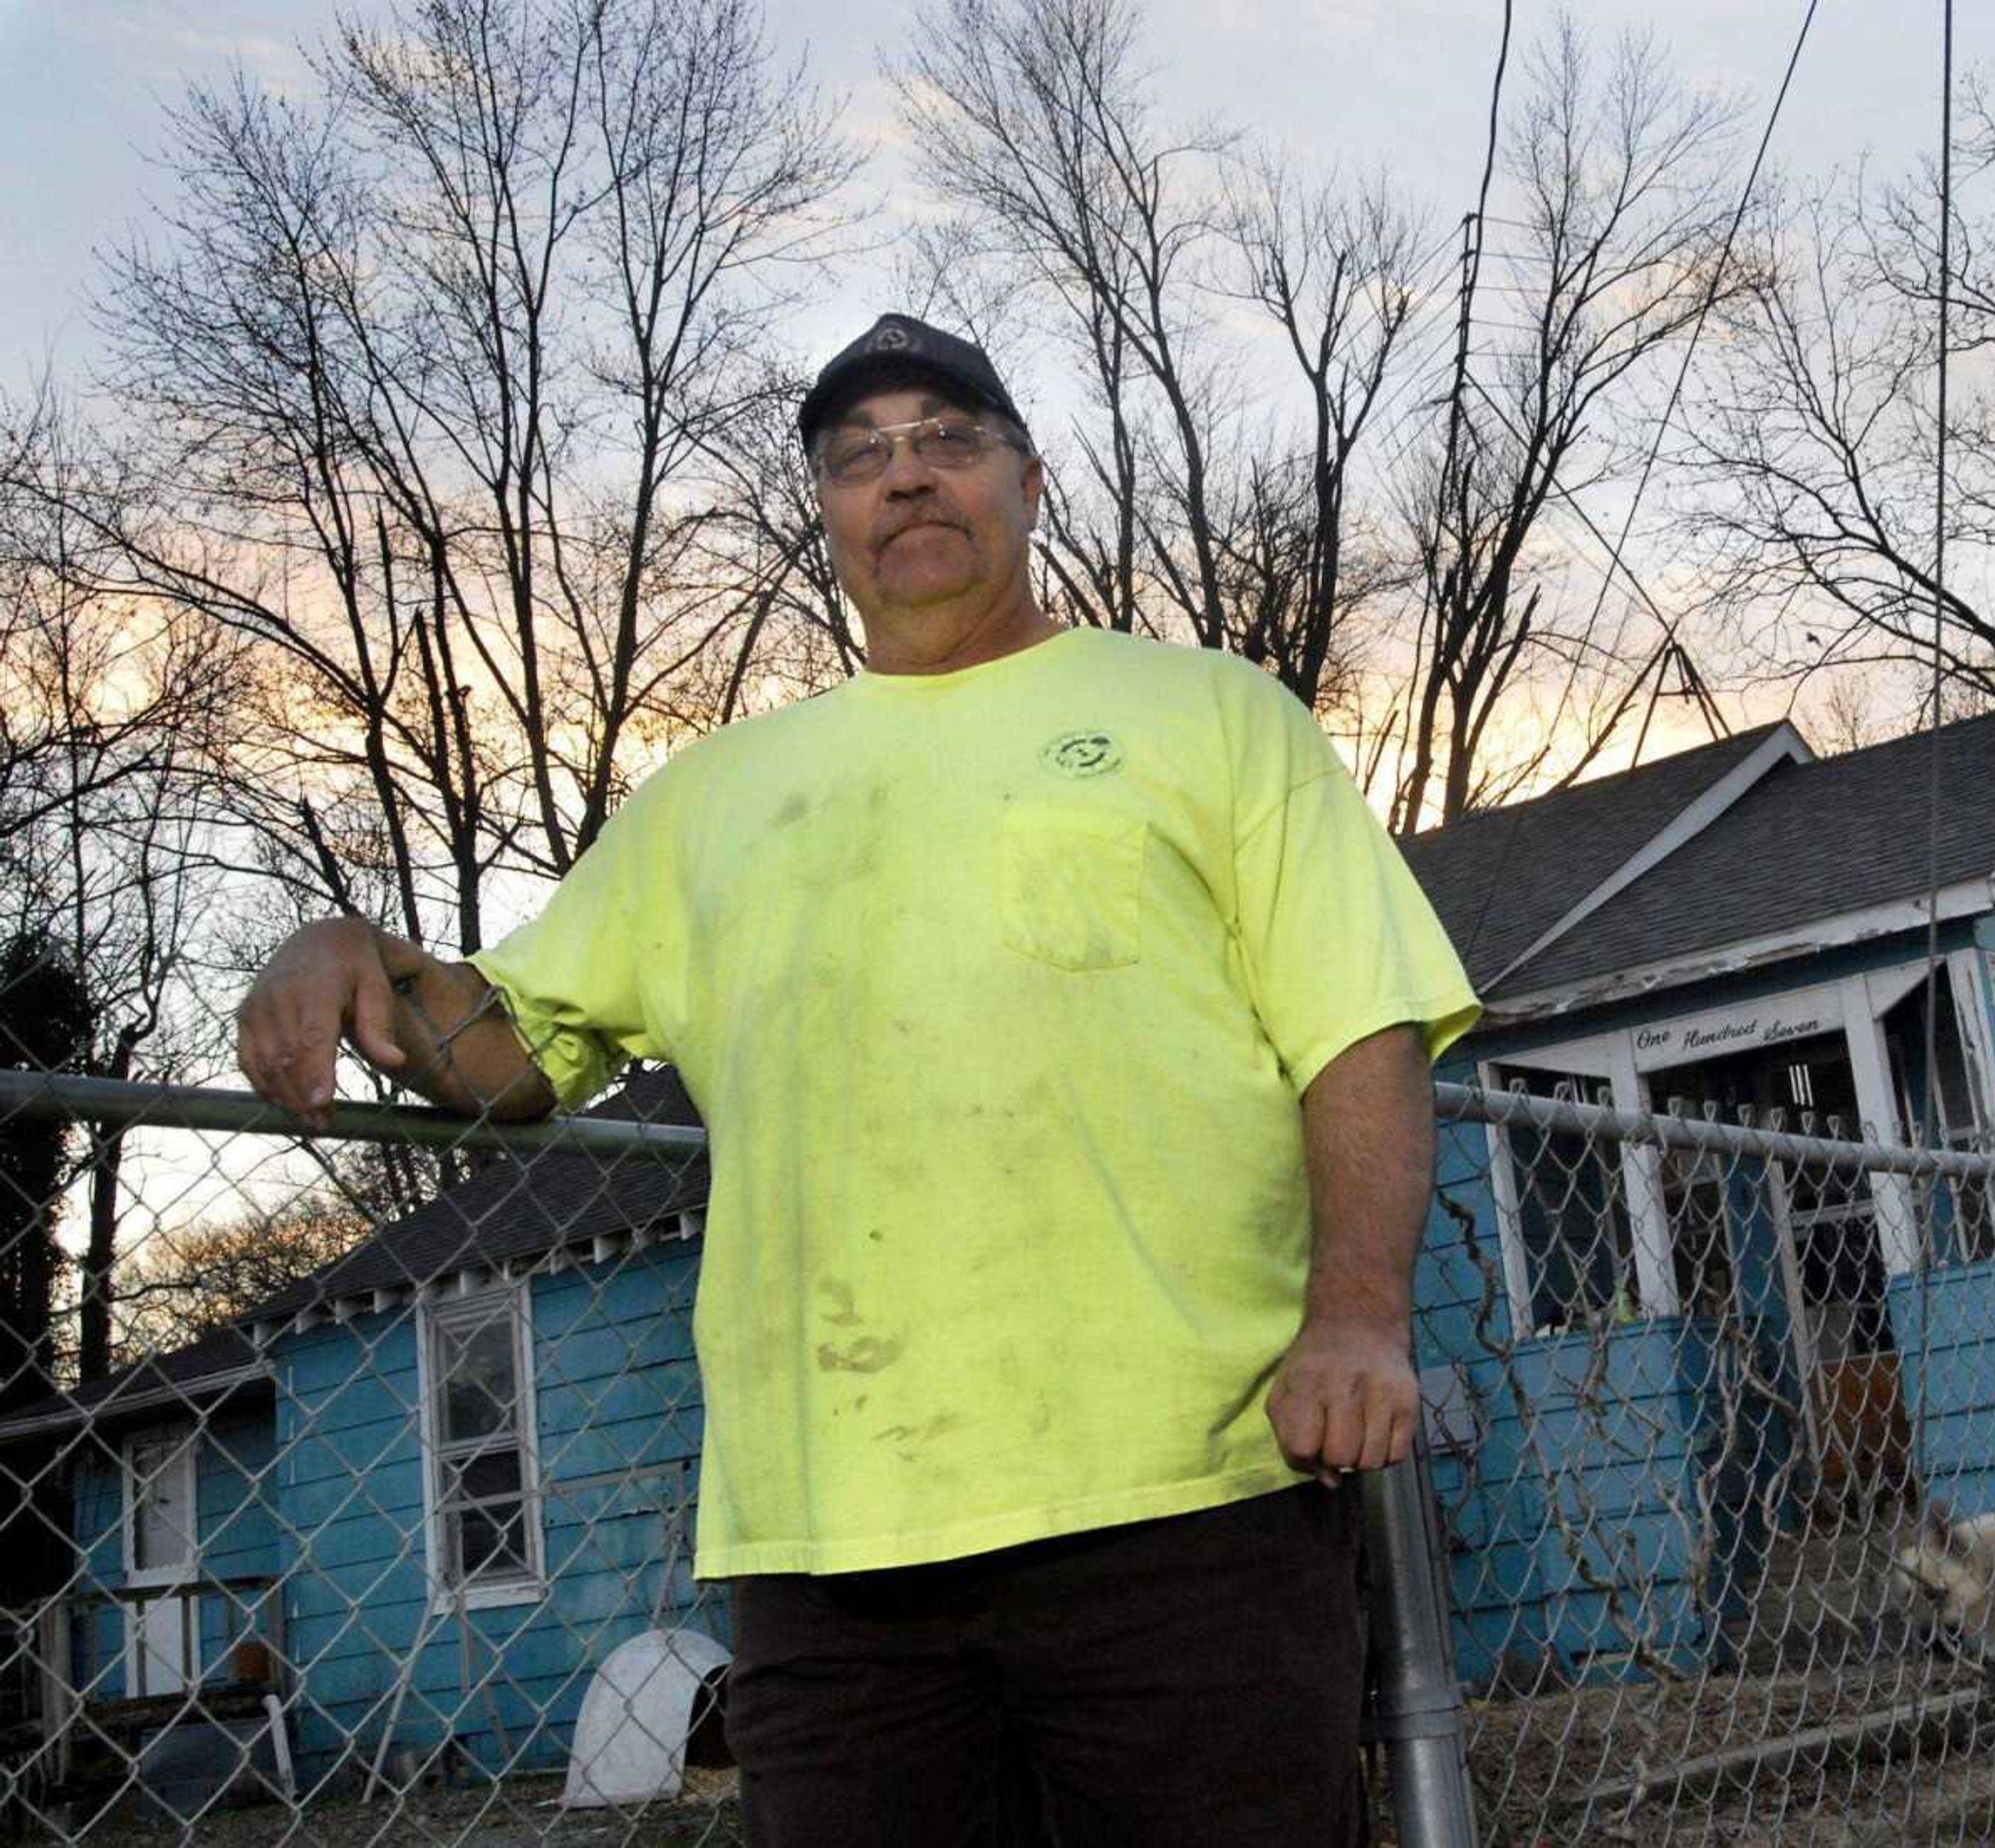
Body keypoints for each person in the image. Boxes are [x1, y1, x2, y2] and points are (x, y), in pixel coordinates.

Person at [234, 314, 1480, 1845]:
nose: (906, 478)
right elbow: (513, 1058)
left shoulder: (1214, 718)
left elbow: (1360, 1028)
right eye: (859, 457)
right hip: (829, 1556)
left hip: (1191, 1503)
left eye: (948, 440)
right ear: (822, 514)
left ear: (1031, 482)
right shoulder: (712, 804)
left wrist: (1357, 1314)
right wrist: (355, 947)